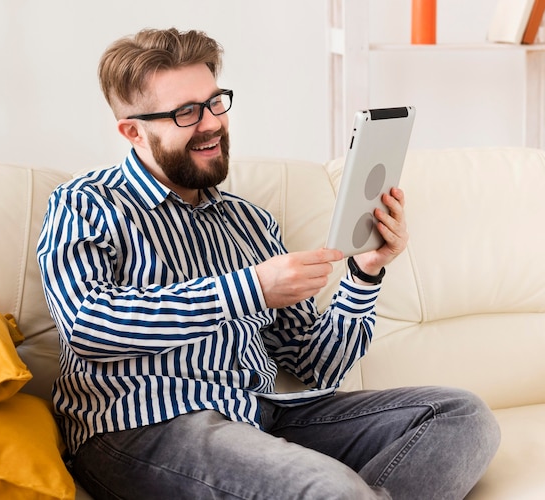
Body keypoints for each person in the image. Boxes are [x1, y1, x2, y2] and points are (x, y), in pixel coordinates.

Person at [37, 27, 500, 500]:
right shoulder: (85, 203)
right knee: (331, 490)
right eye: (185, 113)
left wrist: (365, 272)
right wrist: (251, 289)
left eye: (216, 102)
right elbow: (89, 328)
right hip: (141, 427)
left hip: (261, 415)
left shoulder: (250, 223)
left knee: (459, 415)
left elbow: (318, 366)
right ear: (133, 130)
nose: (211, 123)